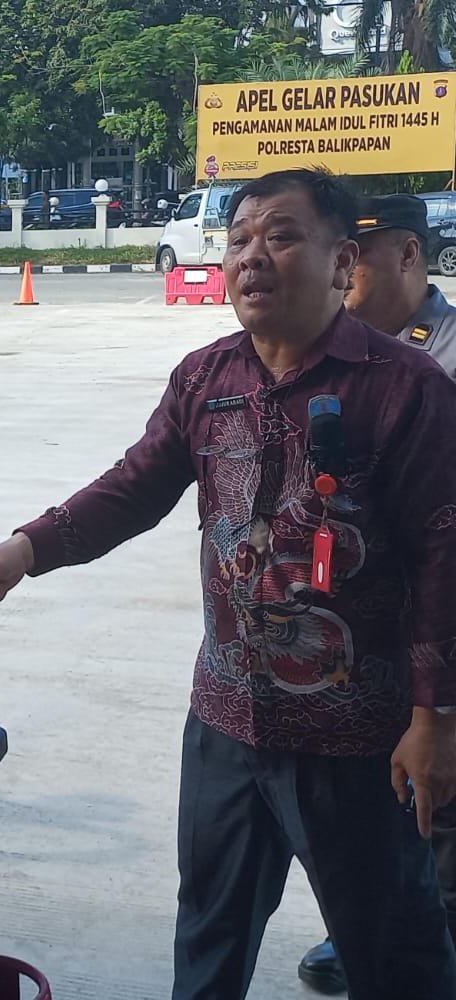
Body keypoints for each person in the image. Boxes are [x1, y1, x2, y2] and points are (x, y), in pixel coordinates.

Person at [0, 169, 456, 999]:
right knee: (208, 938)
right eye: (239, 239)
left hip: (359, 739)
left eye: (282, 236)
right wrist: (25, 549)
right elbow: (136, 485)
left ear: (342, 260)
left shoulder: (405, 386)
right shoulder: (206, 379)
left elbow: (442, 556)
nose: (252, 256)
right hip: (226, 724)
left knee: (395, 956)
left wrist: (435, 718)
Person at [293, 195, 456, 992]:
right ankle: (368, 929)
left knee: (437, 802)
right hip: (367, 638)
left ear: (408, 256)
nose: (344, 271)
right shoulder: (339, 355)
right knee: (376, 806)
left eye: (358, 256)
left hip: (440, 619)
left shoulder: (444, 358)